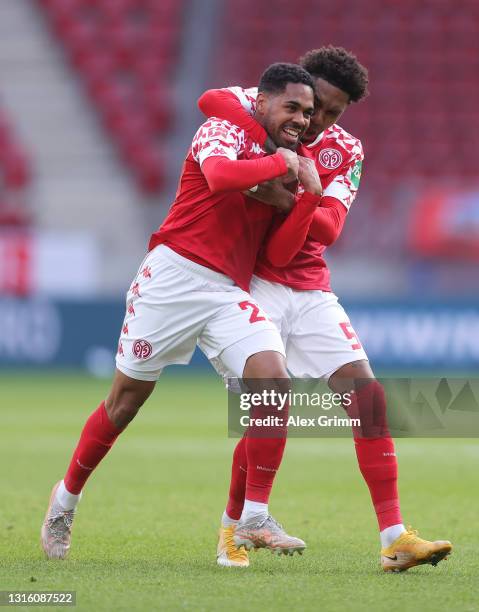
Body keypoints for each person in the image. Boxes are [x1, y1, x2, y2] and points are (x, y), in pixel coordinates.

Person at [41, 63, 324, 560]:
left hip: (229, 293)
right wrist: (278, 169)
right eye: (292, 107)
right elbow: (218, 176)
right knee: (124, 404)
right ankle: (65, 499)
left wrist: (303, 198)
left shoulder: (292, 162)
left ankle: (252, 518)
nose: (300, 119)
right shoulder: (224, 129)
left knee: (274, 384)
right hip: (173, 278)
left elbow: (279, 245)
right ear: (261, 102)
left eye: (306, 112)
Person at [198, 46, 452, 572]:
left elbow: (331, 228)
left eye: (335, 112)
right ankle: (236, 529)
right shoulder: (261, 113)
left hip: (310, 289)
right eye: (316, 108)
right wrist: (285, 180)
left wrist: (282, 194)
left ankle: (394, 537)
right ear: (299, 94)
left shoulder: (345, 150)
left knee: (370, 399)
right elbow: (209, 99)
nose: (320, 121)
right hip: (252, 284)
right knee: (267, 408)